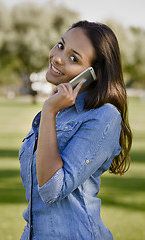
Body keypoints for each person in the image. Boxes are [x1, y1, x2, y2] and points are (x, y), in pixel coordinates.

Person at [19, 20, 132, 240]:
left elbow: (51, 190)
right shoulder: (60, 110)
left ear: (92, 74)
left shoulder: (104, 116)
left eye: (74, 58)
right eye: (60, 45)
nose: (58, 57)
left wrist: (49, 112)